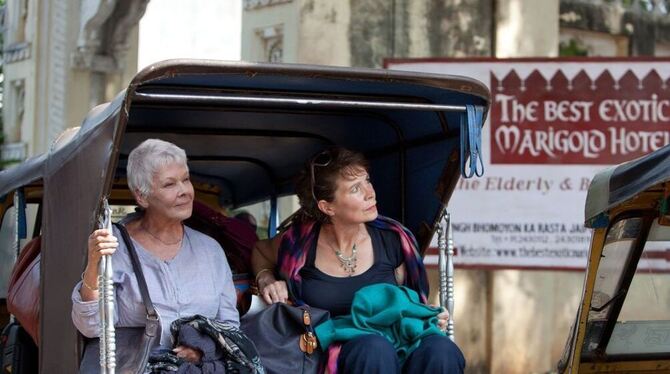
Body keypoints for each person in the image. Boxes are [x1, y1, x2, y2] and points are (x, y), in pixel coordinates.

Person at [252, 147, 465, 373]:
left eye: (367, 181)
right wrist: (265, 278)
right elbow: (260, 251)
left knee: (442, 350)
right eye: (355, 188)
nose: (370, 193)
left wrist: (427, 313)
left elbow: (409, 304)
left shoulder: (393, 240)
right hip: (333, 346)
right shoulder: (299, 244)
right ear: (327, 206)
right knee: (374, 348)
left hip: (396, 337)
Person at [71, 139, 239, 364]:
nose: (185, 192)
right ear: (142, 196)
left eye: (186, 180)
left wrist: (202, 350)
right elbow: (93, 328)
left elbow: (229, 326)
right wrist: (94, 265)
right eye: (169, 184)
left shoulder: (211, 250)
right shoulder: (113, 245)